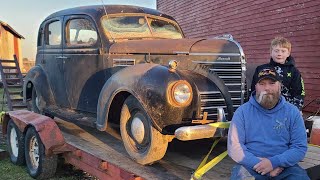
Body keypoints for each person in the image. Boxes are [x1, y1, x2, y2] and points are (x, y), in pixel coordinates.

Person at [228, 66, 309, 179]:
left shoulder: (292, 112)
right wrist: (262, 165)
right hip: (251, 166)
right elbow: (235, 148)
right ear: (255, 87)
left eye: (272, 83)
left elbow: (299, 147)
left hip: (285, 167)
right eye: (262, 84)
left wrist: (274, 162)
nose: (267, 88)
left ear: (279, 86)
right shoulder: (242, 112)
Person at [251, 36, 305, 110]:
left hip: (286, 109)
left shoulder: (294, 72)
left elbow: (299, 93)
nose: (279, 54)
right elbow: (253, 90)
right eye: (276, 51)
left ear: (288, 53)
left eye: (283, 51)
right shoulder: (261, 69)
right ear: (271, 52)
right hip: (263, 108)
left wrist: (296, 110)